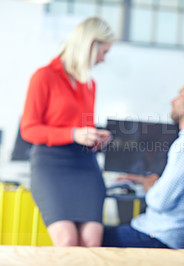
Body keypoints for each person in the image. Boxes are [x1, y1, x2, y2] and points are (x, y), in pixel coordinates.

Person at [20, 17, 114, 247]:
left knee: (91, 242)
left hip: (85, 165)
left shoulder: (89, 84)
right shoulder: (44, 76)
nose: (103, 59)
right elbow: (28, 129)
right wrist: (72, 134)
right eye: (104, 51)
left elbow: (84, 126)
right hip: (52, 165)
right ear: (91, 45)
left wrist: (95, 136)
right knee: (67, 240)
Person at [102, 78, 184, 249]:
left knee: (92, 237)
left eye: (181, 94)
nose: (172, 101)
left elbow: (161, 201)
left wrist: (150, 185)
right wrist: (144, 180)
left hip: (160, 235)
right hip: (167, 232)